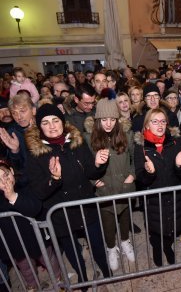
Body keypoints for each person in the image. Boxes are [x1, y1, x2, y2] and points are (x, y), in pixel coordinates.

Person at [25, 103, 110, 285]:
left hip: (85, 204)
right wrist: (54, 178)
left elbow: (90, 172)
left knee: (96, 242)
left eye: (55, 120)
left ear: (62, 122)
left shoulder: (77, 142)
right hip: (60, 213)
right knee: (71, 249)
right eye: (45, 123)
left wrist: (97, 164)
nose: (52, 126)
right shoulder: (35, 154)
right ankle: (82, 277)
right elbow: (39, 192)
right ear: (39, 126)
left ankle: (105, 268)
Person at [134, 108, 181, 267]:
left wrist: (180, 166)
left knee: (173, 224)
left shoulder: (176, 141)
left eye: (163, 121)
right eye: (154, 121)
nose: (159, 124)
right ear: (146, 125)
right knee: (156, 226)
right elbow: (141, 179)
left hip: (174, 195)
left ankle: (167, 246)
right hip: (154, 198)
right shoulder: (141, 147)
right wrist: (149, 173)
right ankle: (157, 249)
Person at [87, 98, 135, 271]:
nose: (108, 123)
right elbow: (84, 166)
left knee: (124, 218)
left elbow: (133, 158)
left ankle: (125, 242)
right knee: (107, 222)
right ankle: (111, 248)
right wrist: (94, 180)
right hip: (104, 190)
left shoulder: (126, 135)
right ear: (98, 120)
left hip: (124, 186)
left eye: (112, 119)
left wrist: (132, 175)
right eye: (104, 119)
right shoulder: (89, 139)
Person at [0, 160, 61, 291]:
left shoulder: (25, 187)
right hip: (15, 242)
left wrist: (12, 197)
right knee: (26, 268)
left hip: (35, 236)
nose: (4, 181)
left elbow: (35, 208)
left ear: (11, 171)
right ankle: (33, 286)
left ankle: (59, 280)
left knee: (49, 259)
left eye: (6, 175)